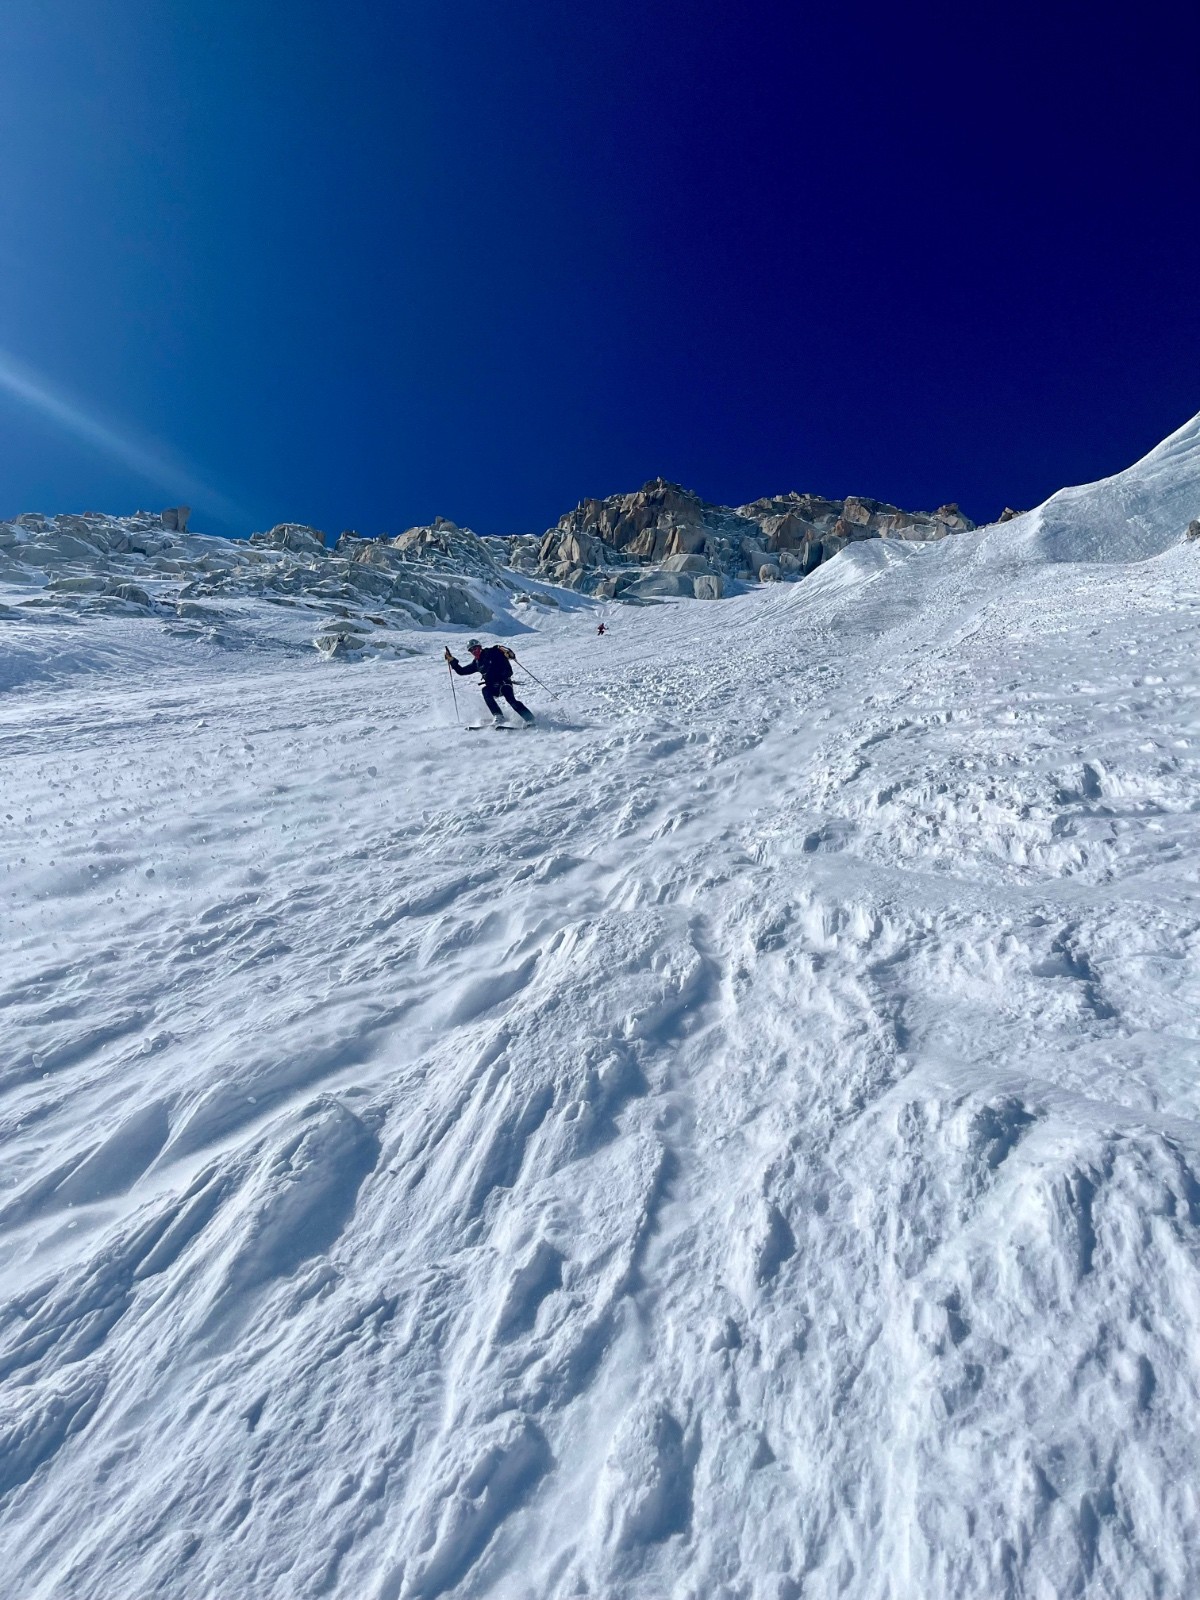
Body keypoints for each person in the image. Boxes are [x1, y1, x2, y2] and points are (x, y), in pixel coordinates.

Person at [445, 639, 535, 726]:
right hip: (493, 687)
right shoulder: (477, 663)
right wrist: (452, 661)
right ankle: (498, 716)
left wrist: (507, 651)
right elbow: (462, 671)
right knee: (485, 690)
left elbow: (508, 654)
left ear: (480, 647)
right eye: (471, 650)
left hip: (504, 683)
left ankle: (530, 719)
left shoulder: (492, 652)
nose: (474, 651)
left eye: (475, 648)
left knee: (511, 701)